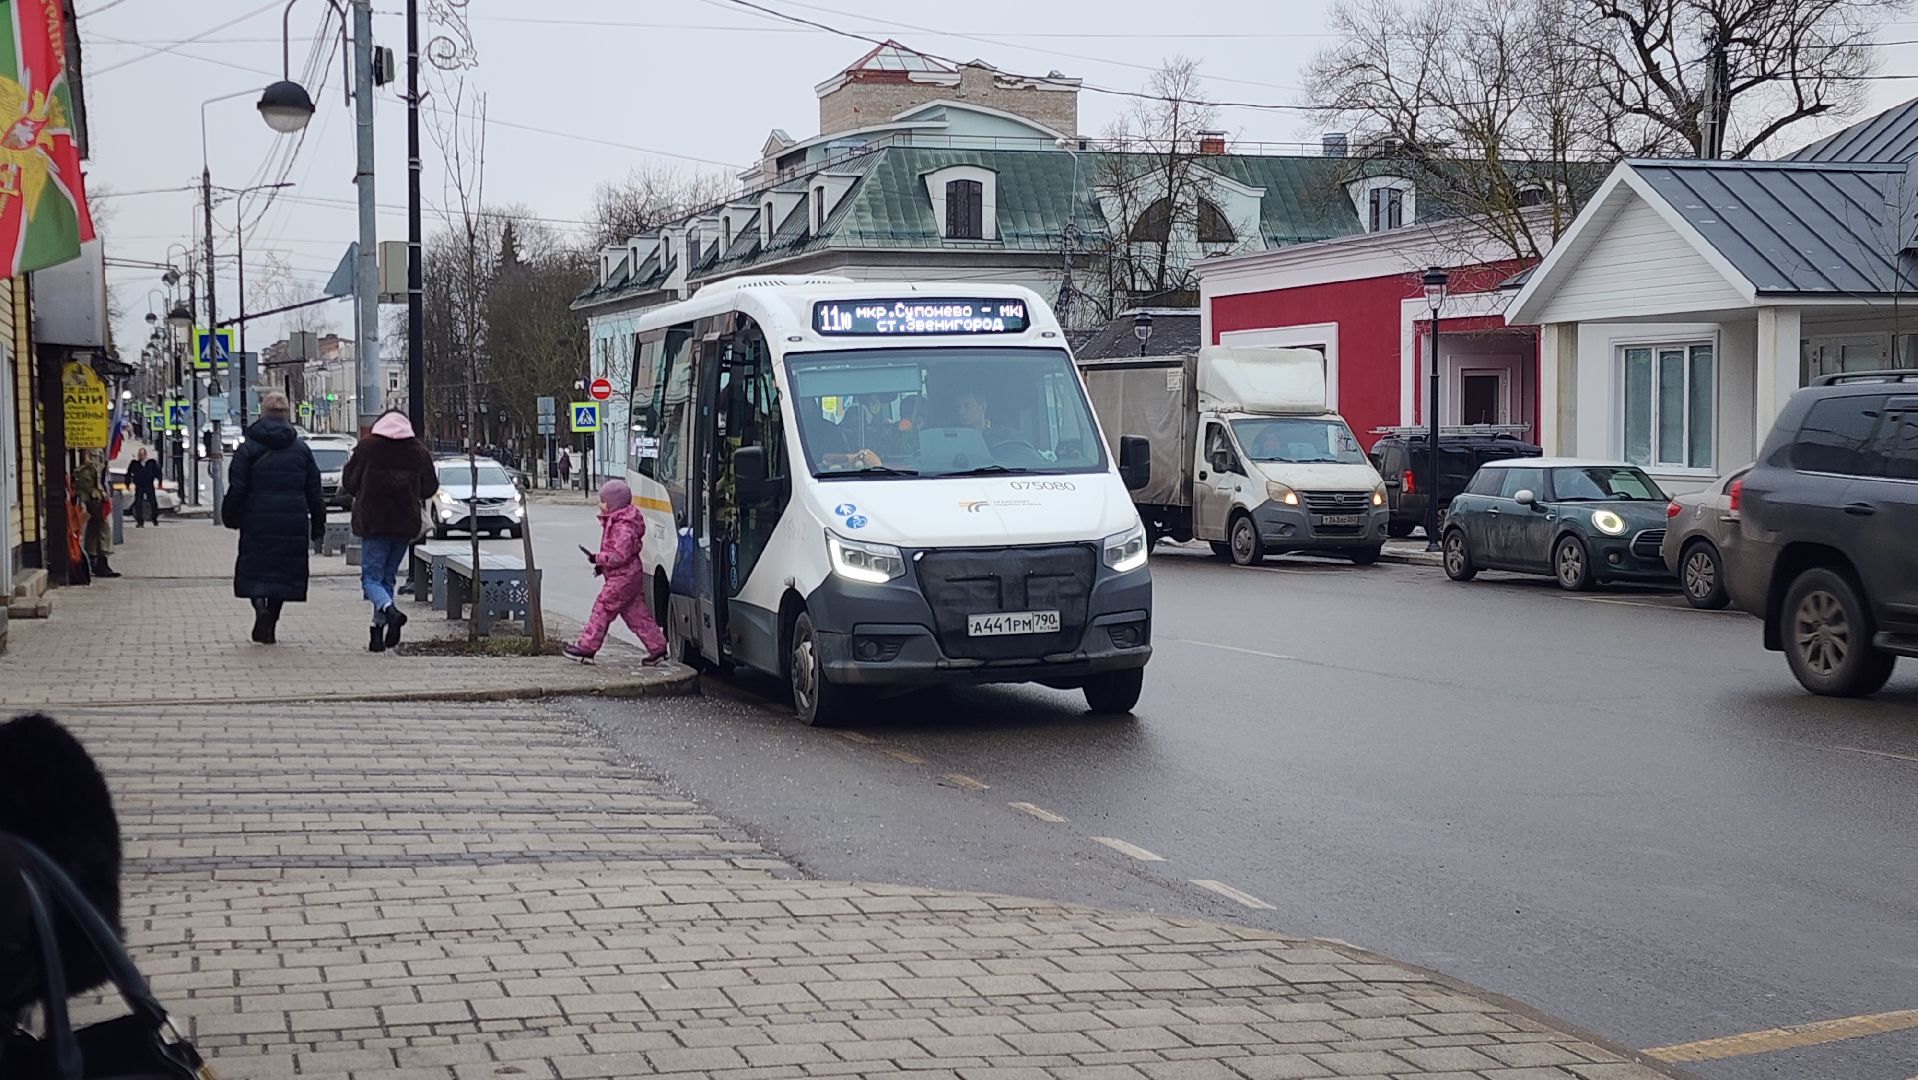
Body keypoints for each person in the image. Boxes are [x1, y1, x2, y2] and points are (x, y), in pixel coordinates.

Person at [222, 392, 326, 645]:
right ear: (287, 416)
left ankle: (260, 609)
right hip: (292, 522)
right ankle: (272, 619)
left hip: (256, 520)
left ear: (263, 414)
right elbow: (314, 490)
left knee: (255, 572)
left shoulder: (248, 449)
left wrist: (231, 516)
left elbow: (237, 487)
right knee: (283, 574)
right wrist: (319, 525)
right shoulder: (301, 450)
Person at [342, 410, 439, 652]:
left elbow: (349, 482)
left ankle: (389, 611)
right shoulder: (418, 451)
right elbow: (430, 488)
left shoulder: (367, 448)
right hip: (404, 524)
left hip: (374, 522)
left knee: (370, 579)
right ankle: (377, 633)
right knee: (387, 578)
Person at [563, 478, 668, 666]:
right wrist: (601, 565)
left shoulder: (622, 525)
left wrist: (599, 558)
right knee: (636, 614)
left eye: (602, 501)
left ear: (613, 503)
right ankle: (657, 647)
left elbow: (620, 555)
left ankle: (587, 647)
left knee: (602, 608)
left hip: (623, 578)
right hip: (629, 575)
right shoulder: (620, 520)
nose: (599, 504)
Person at [72, 452, 118, 579]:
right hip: (94, 500)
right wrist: (101, 494)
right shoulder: (87, 466)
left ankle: (95, 560)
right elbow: (94, 483)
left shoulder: (95, 462)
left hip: (94, 499)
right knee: (104, 528)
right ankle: (101, 562)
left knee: (94, 529)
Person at [127, 447, 163, 527]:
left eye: (142, 455)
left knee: (153, 502)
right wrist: (127, 484)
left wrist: (160, 483)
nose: (141, 456)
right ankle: (140, 521)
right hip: (139, 485)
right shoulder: (135, 464)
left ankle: (154, 518)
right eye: (140, 455)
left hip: (149, 485)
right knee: (138, 503)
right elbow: (128, 473)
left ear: (145, 455)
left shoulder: (151, 463)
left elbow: (158, 472)